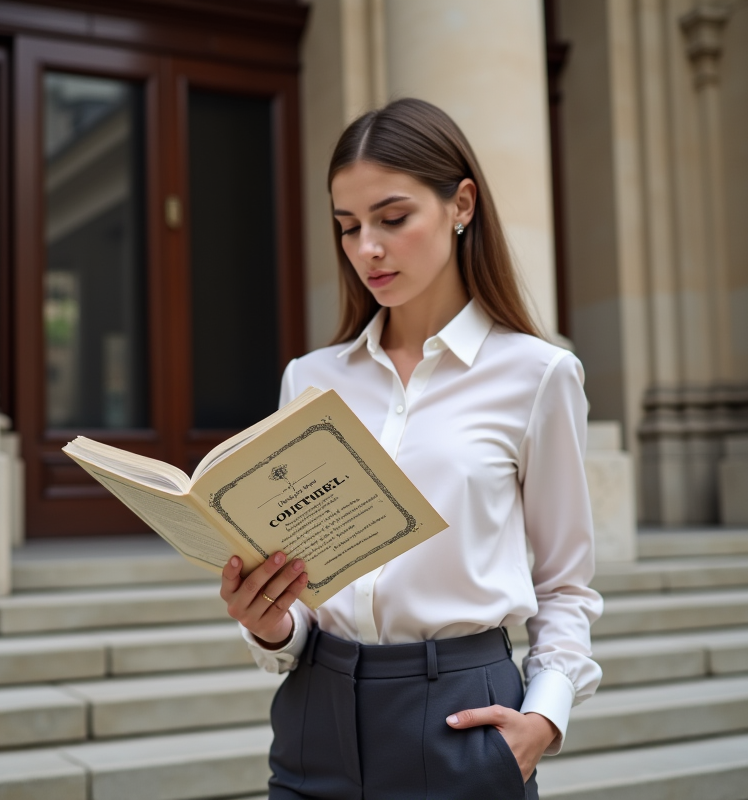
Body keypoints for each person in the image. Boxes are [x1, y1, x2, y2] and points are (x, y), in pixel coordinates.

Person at [219, 98, 602, 800]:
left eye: (392, 219)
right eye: (348, 227)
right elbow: (310, 589)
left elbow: (565, 583)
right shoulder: (311, 380)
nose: (368, 247)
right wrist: (273, 625)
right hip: (314, 718)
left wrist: (545, 717)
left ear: (461, 205)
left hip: (460, 715)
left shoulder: (536, 376)